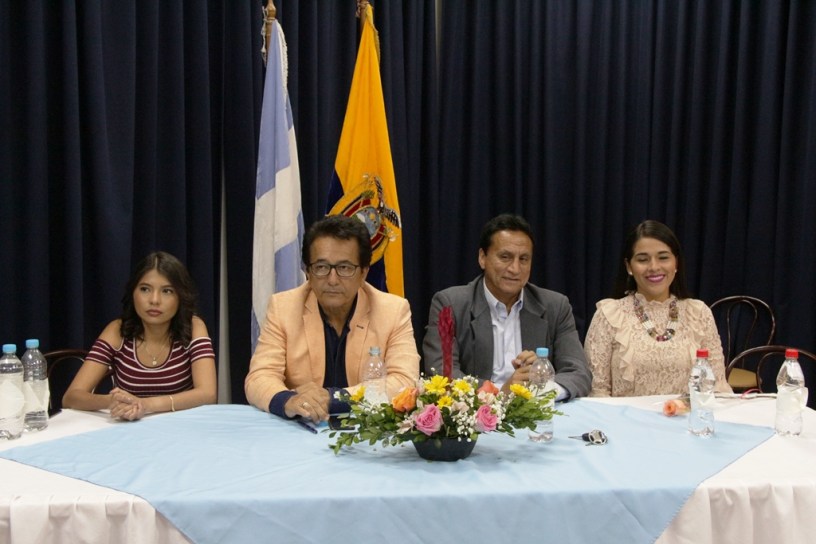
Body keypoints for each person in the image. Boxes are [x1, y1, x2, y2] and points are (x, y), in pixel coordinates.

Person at [245, 215, 420, 423]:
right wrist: (288, 401)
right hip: (301, 431)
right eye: (321, 267)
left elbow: (404, 381)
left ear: (363, 272)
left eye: (345, 268)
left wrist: (333, 399)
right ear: (308, 271)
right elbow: (259, 377)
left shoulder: (392, 310)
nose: (332, 280)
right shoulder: (283, 307)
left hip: (366, 432)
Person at [422, 214, 591, 401]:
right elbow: (442, 375)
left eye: (524, 259)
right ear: (482, 258)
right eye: (505, 257)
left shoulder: (555, 306)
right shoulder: (450, 304)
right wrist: (501, 391)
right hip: (477, 419)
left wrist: (540, 388)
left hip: (536, 415)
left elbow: (579, 373)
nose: (515, 269)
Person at [584, 220, 732, 396]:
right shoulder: (609, 314)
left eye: (663, 257)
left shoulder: (698, 312)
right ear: (629, 266)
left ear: (676, 263)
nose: (654, 267)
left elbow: (717, 386)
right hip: (626, 422)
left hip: (685, 420)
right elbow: (597, 391)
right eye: (642, 259)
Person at [63, 251, 217, 420]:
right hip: (129, 429)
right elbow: (71, 398)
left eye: (167, 291)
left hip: (182, 427)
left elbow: (208, 394)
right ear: (133, 292)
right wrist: (113, 401)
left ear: (180, 297)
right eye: (145, 289)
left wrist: (146, 405)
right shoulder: (117, 331)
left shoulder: (194, 326)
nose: (154, 300)